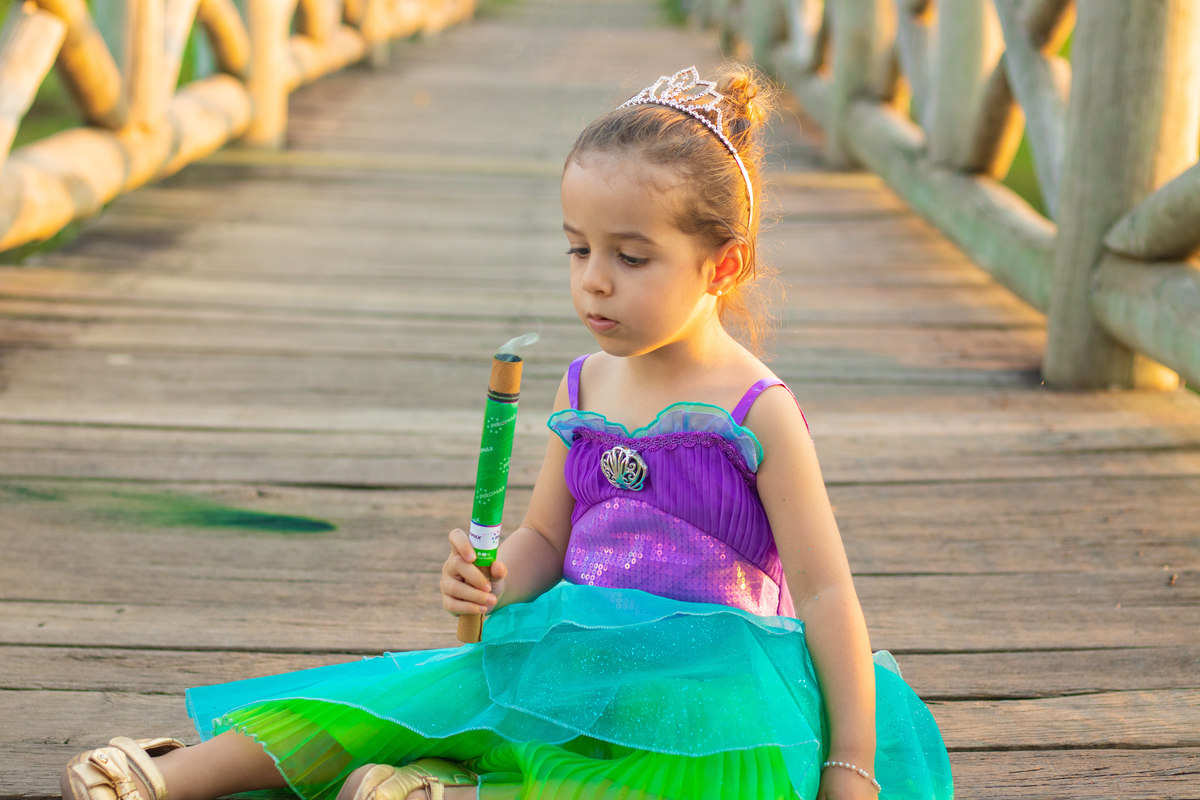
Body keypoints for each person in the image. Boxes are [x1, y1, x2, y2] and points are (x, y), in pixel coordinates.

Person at [61, 64, 953, 800]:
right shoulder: (585, 387)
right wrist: (494, 580)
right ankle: (177, 777)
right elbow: (543, 540)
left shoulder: (755, 413)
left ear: (725, 263)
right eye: (578, 249)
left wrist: (852, 765)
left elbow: (828, 593)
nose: (594, 282)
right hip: (575, 648)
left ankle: (451, 793)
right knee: (411, 693)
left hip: (712, 691)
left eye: (631, 257)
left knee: (694, 785)